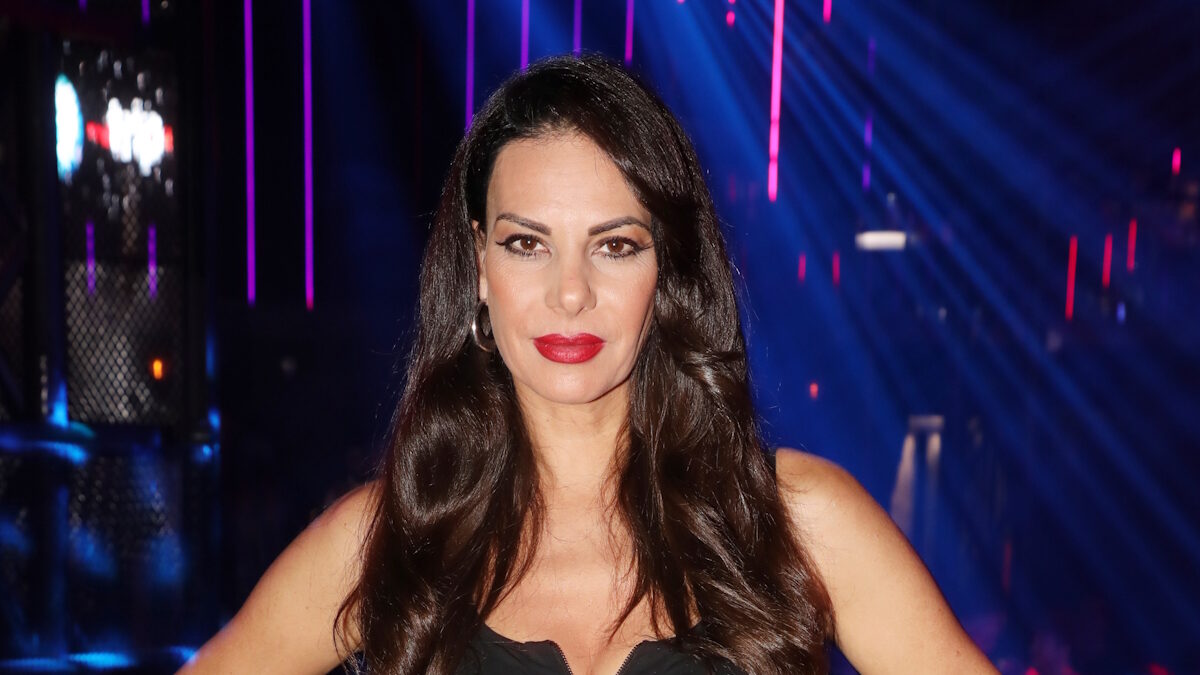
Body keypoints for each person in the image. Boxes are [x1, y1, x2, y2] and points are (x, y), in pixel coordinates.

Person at [179, 54, 997, 675]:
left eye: (615, 245)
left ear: (667, 269)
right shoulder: (389, 537)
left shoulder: (798, 520)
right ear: (480, 263)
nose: (569, 293)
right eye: (527, 243)